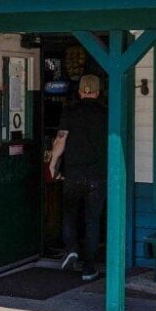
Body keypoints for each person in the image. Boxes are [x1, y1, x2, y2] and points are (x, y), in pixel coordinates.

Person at [48, 74, 107, 281]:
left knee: (69, 214)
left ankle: (72, 248)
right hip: (98, 175)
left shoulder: (69, 111)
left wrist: (53, 163)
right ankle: (89, 268)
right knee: (92, 221)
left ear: (81, 91)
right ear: (98, 92)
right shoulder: (106, 113)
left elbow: (61, 140)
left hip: (73, 173)